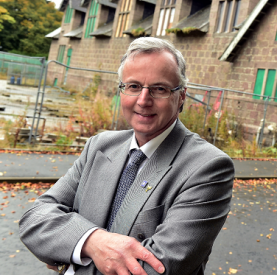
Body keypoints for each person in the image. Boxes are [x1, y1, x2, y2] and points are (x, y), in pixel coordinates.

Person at [19, 37, 235, 275]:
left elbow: (160, 268)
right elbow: (35, 218)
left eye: (159, 89)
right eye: (133, 86)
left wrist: (69, 250)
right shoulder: (99, 146)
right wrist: (92, 241)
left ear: (181, 96)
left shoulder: (207, 167)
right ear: (121, 90)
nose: (143, 100)